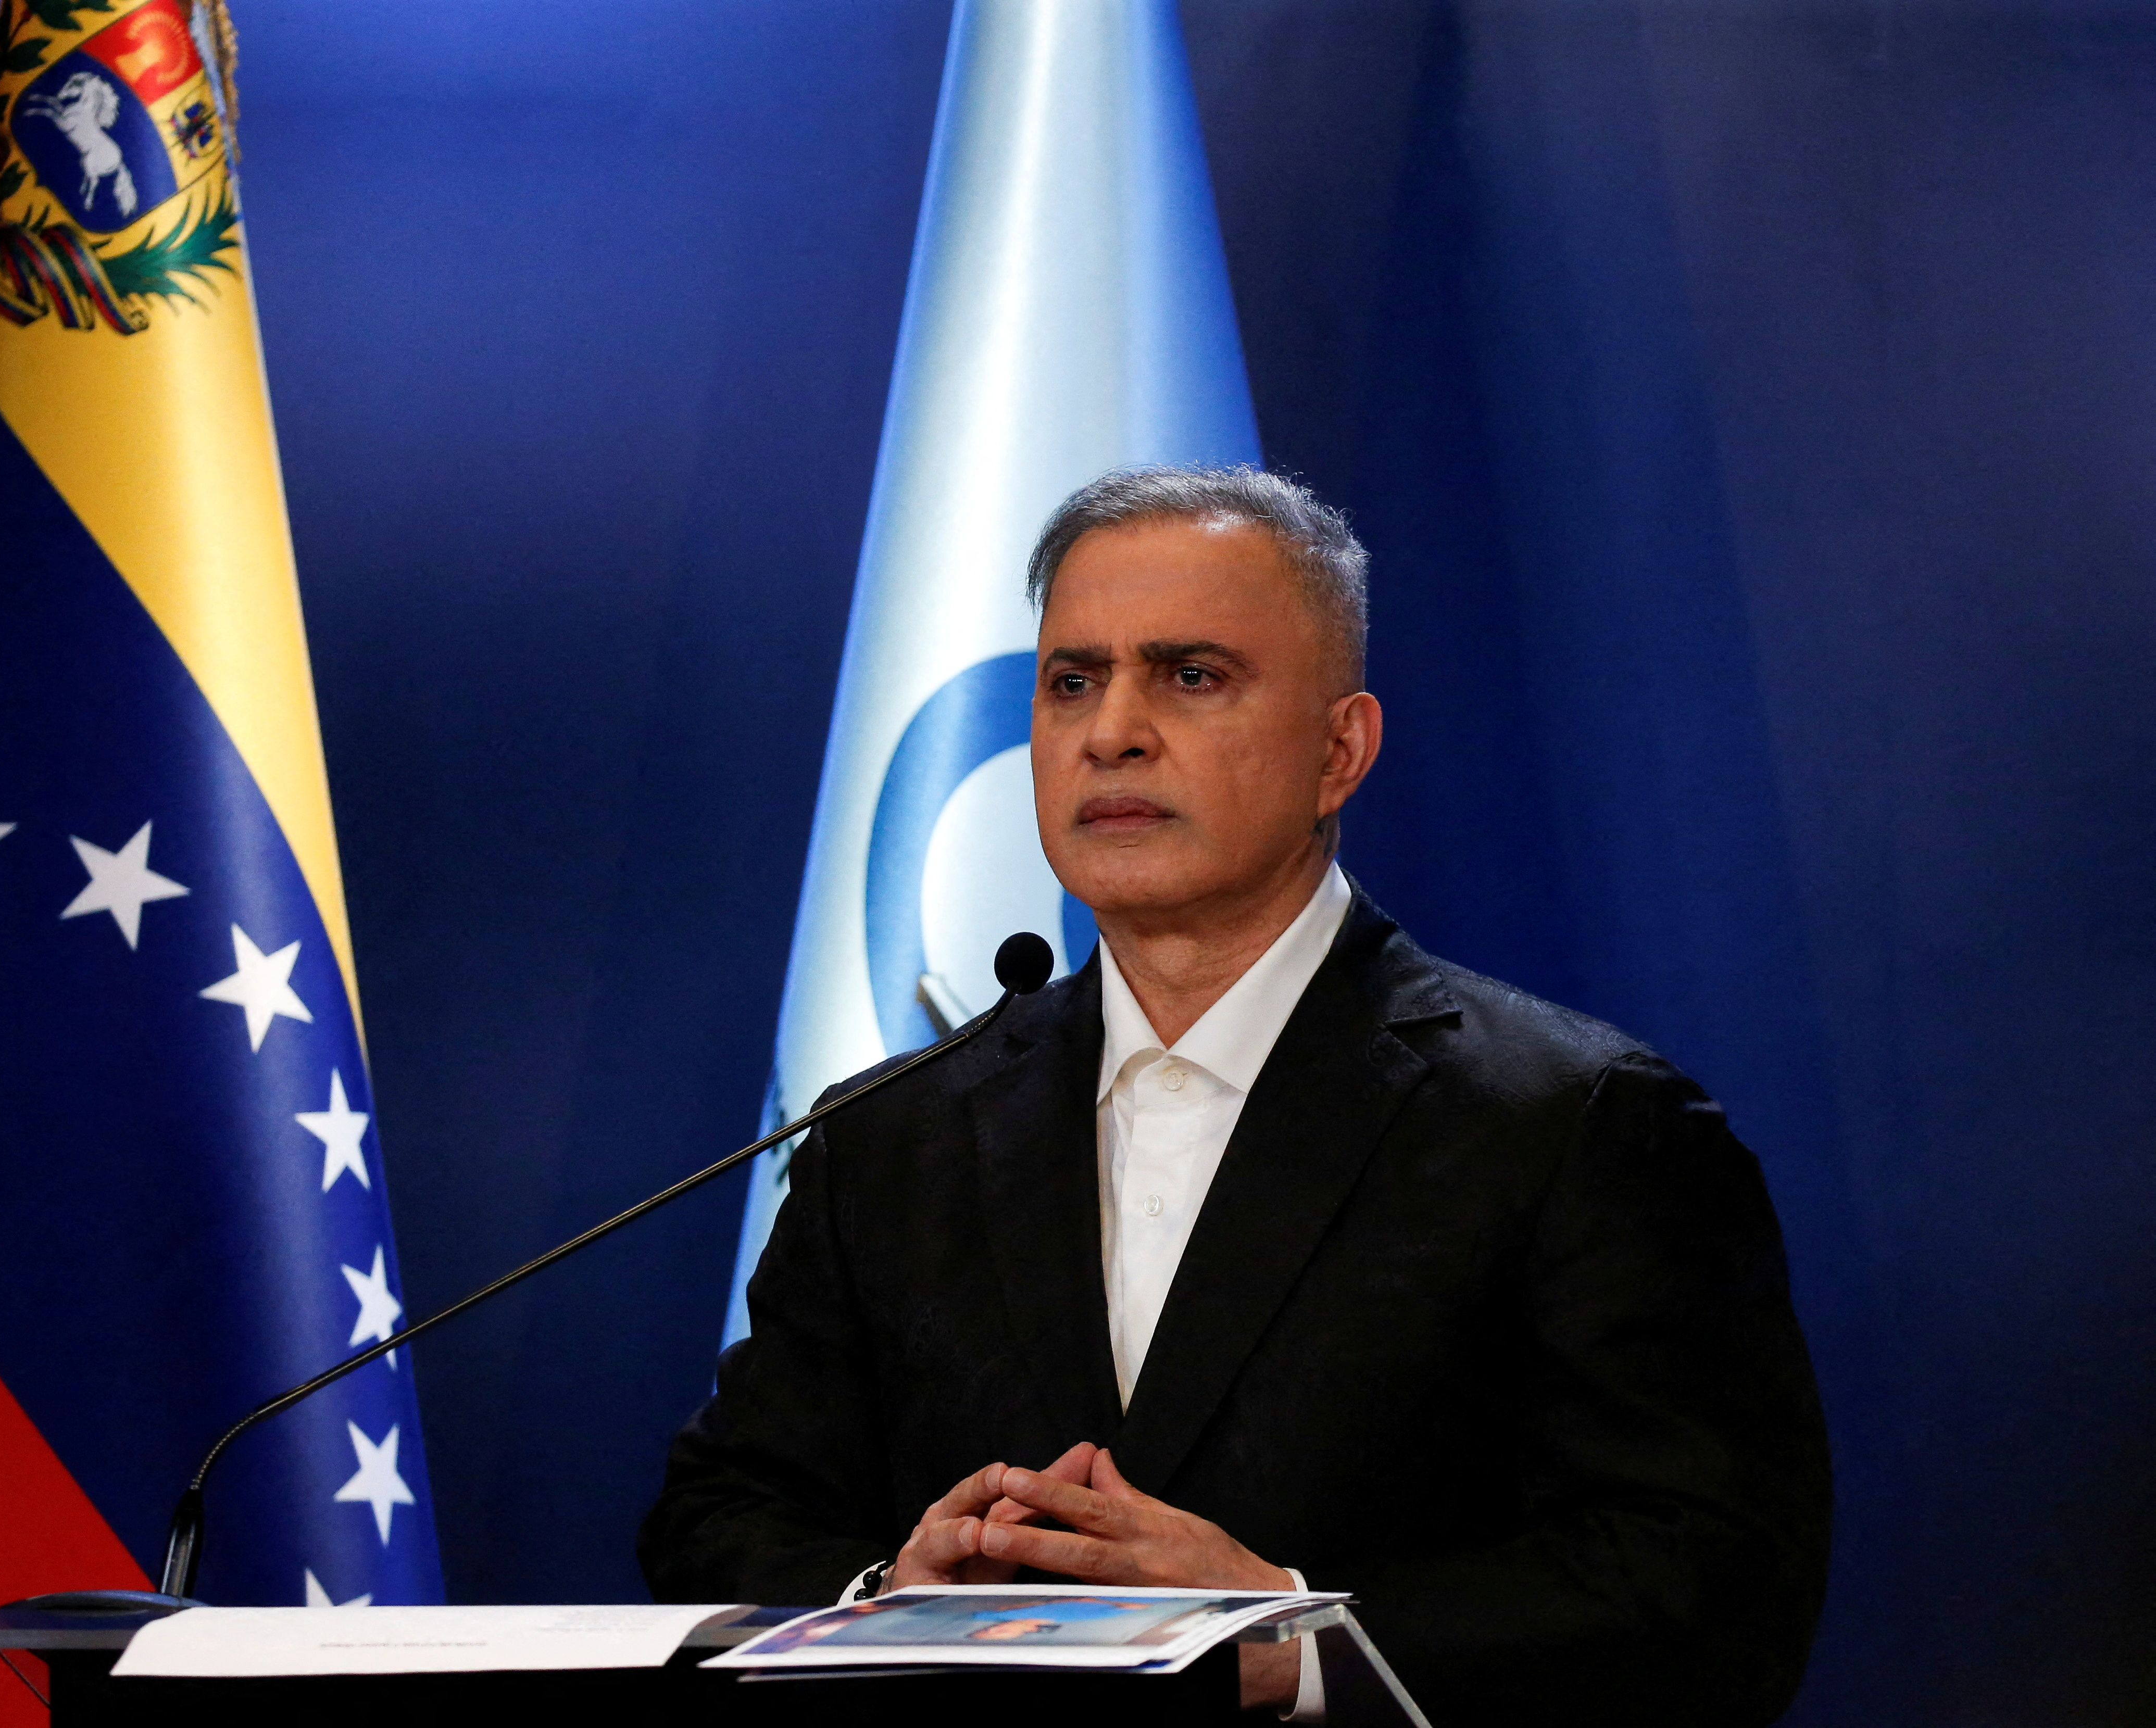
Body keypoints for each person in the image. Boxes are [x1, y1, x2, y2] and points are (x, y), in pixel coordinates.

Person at [639, 466, 1831, 1723]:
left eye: (1191, 675)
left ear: (1339, 750)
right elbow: (723, 1517)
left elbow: (1713, 1581)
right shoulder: (890, 1136)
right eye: (1072, 681)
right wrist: (885, 1595)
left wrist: (1295, 1634)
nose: (1112, 733)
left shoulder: (1575, 1121)